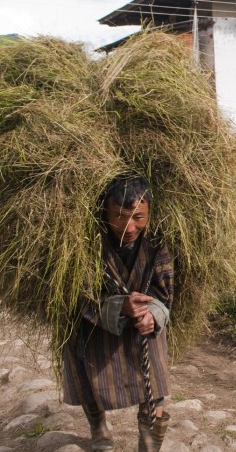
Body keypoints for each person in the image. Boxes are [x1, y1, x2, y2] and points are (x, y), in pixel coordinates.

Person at [62, 176, 174, 452]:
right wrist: (119, 305)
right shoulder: (82, 244)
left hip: (143, 330)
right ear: (104, 211)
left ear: (148, 212)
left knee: (155, 388)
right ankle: (98, 428)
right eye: (120, 216)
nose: (129, 227)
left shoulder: (158, 244)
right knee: (89, 380)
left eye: (138, 217)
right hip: (93, 326)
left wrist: (153, 315)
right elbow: (72, 293)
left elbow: (166, 293)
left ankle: (148, 448)